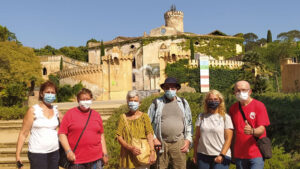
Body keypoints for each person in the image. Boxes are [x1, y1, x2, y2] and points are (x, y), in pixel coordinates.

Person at [147, 77, 193, 169]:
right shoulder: (157, 103)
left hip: (179, 143)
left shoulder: (183, 103)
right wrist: (154, 139)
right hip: (161, 143)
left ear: (177, 89)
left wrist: (188, 140)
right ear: (164, 89)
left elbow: (189, 123)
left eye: (172, 88)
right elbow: (147, 124)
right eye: (167, 88)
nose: (170, 90)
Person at [58, 88, 108, 169]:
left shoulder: (96, 115)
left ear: (91, 100)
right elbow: (62, 134)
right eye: (82, 99)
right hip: (77, 160)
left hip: (96, 159)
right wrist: (68, 151)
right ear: (78, 100)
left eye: (87, 99)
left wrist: (105, 153)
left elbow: (101, 135)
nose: (85, 101)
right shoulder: (70, 114)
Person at [16, 81, 61, 169]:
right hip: (37, 153)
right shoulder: (33, 111)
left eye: (53, 93)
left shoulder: (56, 111)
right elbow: (23, 133)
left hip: (54, 152)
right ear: (41, 94)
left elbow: (65, 129)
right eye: (48, 92)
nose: (50, 95)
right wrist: (18, 155)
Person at [229, 80, 270, 169]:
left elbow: (261, 129)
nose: (240, 92)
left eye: (244, 90)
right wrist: (231, 151)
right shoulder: (233, 108)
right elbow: (233, 132)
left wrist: (252, 131)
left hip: (256, 153)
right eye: (238, 90)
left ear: (250, 91)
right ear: (234, 93)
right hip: (239, 154)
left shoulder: (259, 106)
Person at [193, 90, 233, 169]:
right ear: (206, 101)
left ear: (220, 101)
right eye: (210, 100)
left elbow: (228, 139)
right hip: (203, 155)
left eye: (215, 99)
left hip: (220, 155)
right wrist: (195, 154)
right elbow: (197, 137)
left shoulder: (225, 118)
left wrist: (222, 155)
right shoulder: (201, 116)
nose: (213, 101)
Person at [116, 90, 156, 169]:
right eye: (131, 101)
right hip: (127, 156)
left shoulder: (145, 117)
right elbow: (119, 136)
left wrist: (152, 151)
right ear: (127, 103)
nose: (133, 103)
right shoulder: (123, 117)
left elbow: (149, 135)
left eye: (135, 101)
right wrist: (129, 147)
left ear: (140, 103)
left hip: (142, 154)